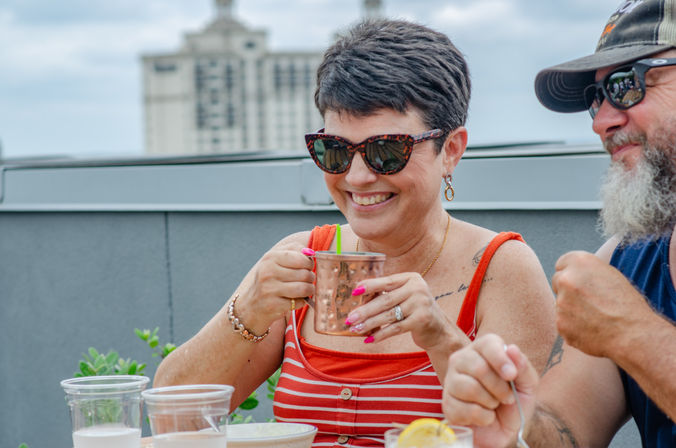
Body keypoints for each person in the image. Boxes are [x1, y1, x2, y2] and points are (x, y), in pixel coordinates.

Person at [154, 18, 556, 447]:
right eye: (336, 150)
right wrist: (249, 310)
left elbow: (534, 438)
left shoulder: (500, 269)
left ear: (451, 150)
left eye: (387, 151)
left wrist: (440, 336)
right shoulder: (303, 257)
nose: (358, 176)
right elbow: (171, 420)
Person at [442, 1, 676, 447]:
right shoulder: (626, 262)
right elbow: (562, 431)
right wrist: (509, 424)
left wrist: (636, 335)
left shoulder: (623, 299)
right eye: (597, 98)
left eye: (627, 86)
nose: (603, 122)